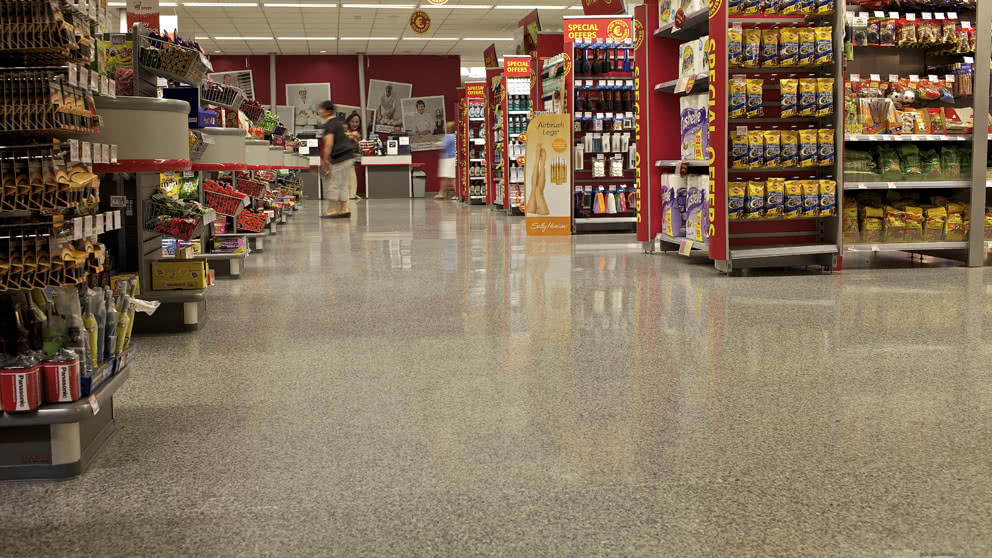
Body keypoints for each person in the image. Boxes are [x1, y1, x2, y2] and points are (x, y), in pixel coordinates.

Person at [317, 101, 355, 218]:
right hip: (348, 156)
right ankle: (344, 208)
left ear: (327, 111)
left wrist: (324, 161)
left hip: (340, 157)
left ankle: (332, 209)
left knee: (333, 183)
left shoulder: (329, 125)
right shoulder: (337, 122)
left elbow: (329, 144)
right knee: (343, 183)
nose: (319, 111)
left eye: (321, 109)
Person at [435, 121, 456, 200]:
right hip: (453, 158)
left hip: (447, 159)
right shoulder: (455, 136)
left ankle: (441, 194)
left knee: (446, 178)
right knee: (452, 177)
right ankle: (442, 193)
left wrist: (435, 144)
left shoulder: (448, 137)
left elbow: (443, 145)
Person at [344, 112, 363, 200]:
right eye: (353, 122)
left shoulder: (359, 133)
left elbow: (356, 146)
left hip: (354, 159)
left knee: (352, 177)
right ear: (348, 122)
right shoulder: (345, 132)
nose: (355, 124)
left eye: (357, 122)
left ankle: (352, 194)